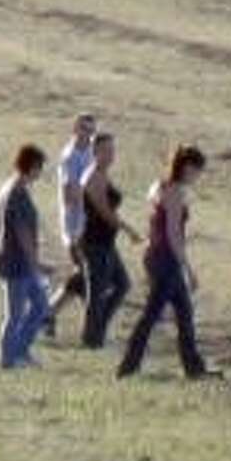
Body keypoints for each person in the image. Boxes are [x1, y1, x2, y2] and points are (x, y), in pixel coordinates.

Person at [117, 145, 212, 379]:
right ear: (188, 167)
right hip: (165, 259)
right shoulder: (175, 192)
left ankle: (194, 369)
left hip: (157, 256)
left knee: (184, 313)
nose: (198, 176)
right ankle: (128, 367)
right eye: (197, 170)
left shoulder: (161, 186)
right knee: (151, 315)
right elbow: (173, 233)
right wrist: (188, 268)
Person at [80, 132, 142, 348]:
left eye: (112, 150)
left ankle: (98, 331)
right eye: (105, 150)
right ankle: (92, 339)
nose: (110, 155)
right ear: (94, 152)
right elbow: (105, 211)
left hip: (106, 242)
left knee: (122, 284)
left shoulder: (103, 174)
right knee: (97, 292)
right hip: (94, 242)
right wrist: (129, 230)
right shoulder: (93, 176)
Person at [0, 144, 50, 370]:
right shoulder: (15, 192)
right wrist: (36, 263)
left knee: (40, 305)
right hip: (15, 261)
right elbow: (22, 232)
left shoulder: (17, 188)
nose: (41, 172)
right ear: (32, 166)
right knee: (15, 314)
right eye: (40, 167)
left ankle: (21, 351)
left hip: (22, 261)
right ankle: (7, 359)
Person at [47, 113, 97, 336]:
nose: (88, 135)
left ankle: (46, 313)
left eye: (91, 131)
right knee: (90, 277)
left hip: (89, 227)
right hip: (76, 228)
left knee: (84, 277)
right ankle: (93, 329)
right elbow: (70, 193)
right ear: (75, 129)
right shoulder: (70, 157)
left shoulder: (89, 153)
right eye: (85, 130)